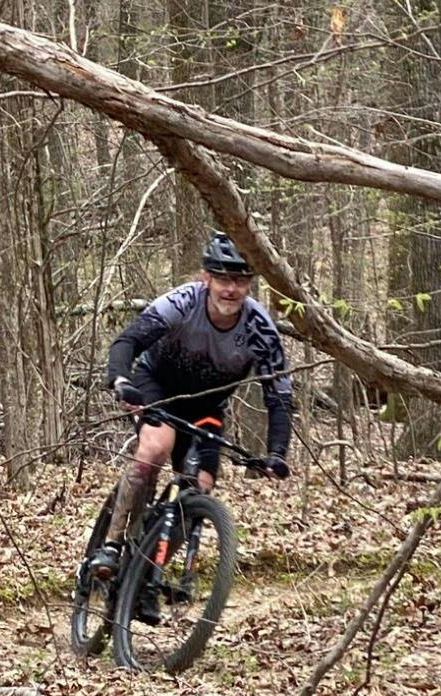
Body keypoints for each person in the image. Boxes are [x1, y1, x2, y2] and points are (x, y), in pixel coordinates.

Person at [89, 231, 294, 580]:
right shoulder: (183, 302)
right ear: (207, 278)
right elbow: (128, 340)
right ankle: (113, 543)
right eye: (223, 279)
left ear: (249, 284)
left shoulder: (260, 328)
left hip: (207, 406)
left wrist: (277, 452)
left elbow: (279, 396)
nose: (231, 289)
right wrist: (121, 381)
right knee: (156, 447)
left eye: (240, 280)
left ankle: (146, 574)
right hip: (159, 386)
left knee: (201, 485)